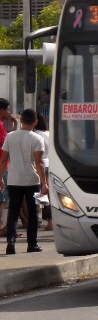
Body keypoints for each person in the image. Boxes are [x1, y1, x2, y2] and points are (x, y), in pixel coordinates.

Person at [0, 109, 49, 254]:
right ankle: (32, 244)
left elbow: (3, 160)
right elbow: (39, 162)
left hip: (14, 180)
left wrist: (0, 178)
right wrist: (44, 182)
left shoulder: (10, 136)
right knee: (33, 213)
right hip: (31, 180)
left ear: (21, 121)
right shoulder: (36, 138)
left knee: (13, 212)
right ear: (35, 122)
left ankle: (11, 242)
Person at [0, 98, 17, 236]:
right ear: (2, 110)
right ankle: (3, 227)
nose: (9, 112)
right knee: (4, 198)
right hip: (2, 164)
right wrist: (16, 124)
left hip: (4, 163)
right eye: (7, 109)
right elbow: (9, 142)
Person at [34, 113, 51, 231]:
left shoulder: (35, 135)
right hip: (51, 164)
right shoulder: (49, 134)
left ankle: (45, 220)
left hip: (40, 165)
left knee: (41, 194)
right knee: (49, 194)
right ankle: (50, 221)